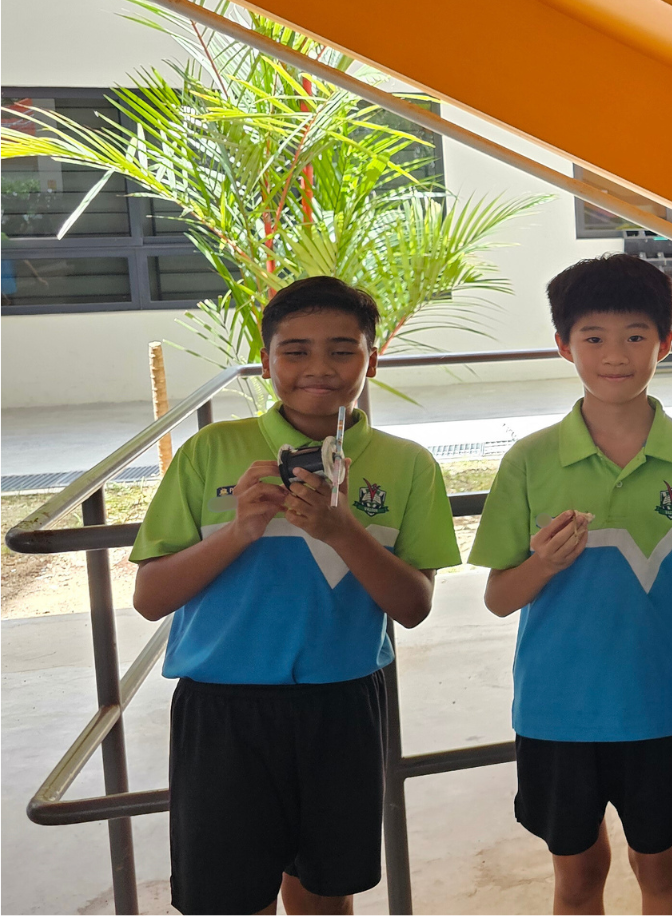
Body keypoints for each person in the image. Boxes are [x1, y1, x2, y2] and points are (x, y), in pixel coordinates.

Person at [130, 276, 460, 916]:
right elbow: (149, 596)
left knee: (324, 891)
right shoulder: (212, 451)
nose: (319, 369)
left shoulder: (408, 464)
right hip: (223, 708)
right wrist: (241, 530)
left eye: (343, 350)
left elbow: (413, 606)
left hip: (342, 705)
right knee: (225, 898)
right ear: (266, 362)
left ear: (371, 359)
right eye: (295, 351)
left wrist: (342, 530)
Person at [470, 254, 672, 916]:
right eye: (593, 337)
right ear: (564, 345)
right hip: (555, 713)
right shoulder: (530, 460)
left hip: (661, 707)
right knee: (579, 873)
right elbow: (500, 596)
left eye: (635, 336)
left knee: (661, 865)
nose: (615, 355)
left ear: (666, 342)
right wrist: (544, 565)